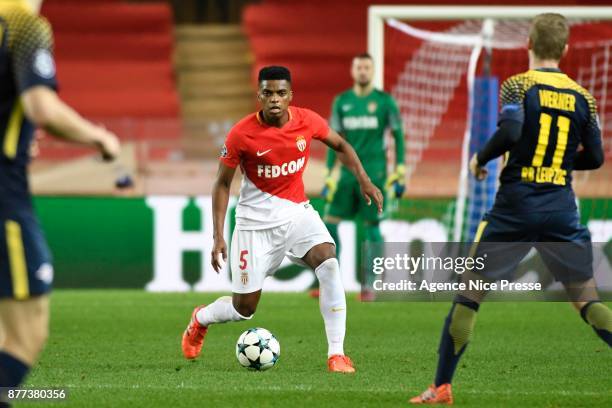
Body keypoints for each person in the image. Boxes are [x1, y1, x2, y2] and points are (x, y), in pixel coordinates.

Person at [410, 13, 610, 405]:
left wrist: (480, 158)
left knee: (468, 296)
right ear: (566, 50)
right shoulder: (584, 97)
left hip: (515, 208)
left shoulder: (518, 85)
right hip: (561, 210)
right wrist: (560, 164)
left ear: (528, 45)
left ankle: (442, 387)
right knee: (588, 301)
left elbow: (513, 131)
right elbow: (598, 157)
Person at [181, 66, 383, 373]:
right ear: (259, 95)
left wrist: (364, 179)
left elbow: (341, 144)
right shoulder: (241, 134)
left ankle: (337, 354)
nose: (274, 99)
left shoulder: (307, 121)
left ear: (290, 96)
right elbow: (222, 184)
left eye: (281, 93)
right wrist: (218, 235)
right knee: (244, 309)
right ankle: (201, 319)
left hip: (296, 214)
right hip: (253, 226)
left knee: (328, 261)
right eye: (268, 93)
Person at [0, 0, 120, 400]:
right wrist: (99, 137)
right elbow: (41, 106)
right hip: (5, 196)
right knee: (26, 332)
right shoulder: (22, 23)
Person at [319, 53, 405, 301]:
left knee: (372, 228)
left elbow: (399, 136)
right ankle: (331, 282)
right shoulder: (342, 102)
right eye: (359, 67)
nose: (363, 71)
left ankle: (370, 285)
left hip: (375, 173)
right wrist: (329, 173)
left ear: (373, 70)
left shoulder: (385, 102)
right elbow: (332, 139)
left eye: (367, 67)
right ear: (352, 70)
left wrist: (400, 169)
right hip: (347, 174)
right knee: (329, 224)